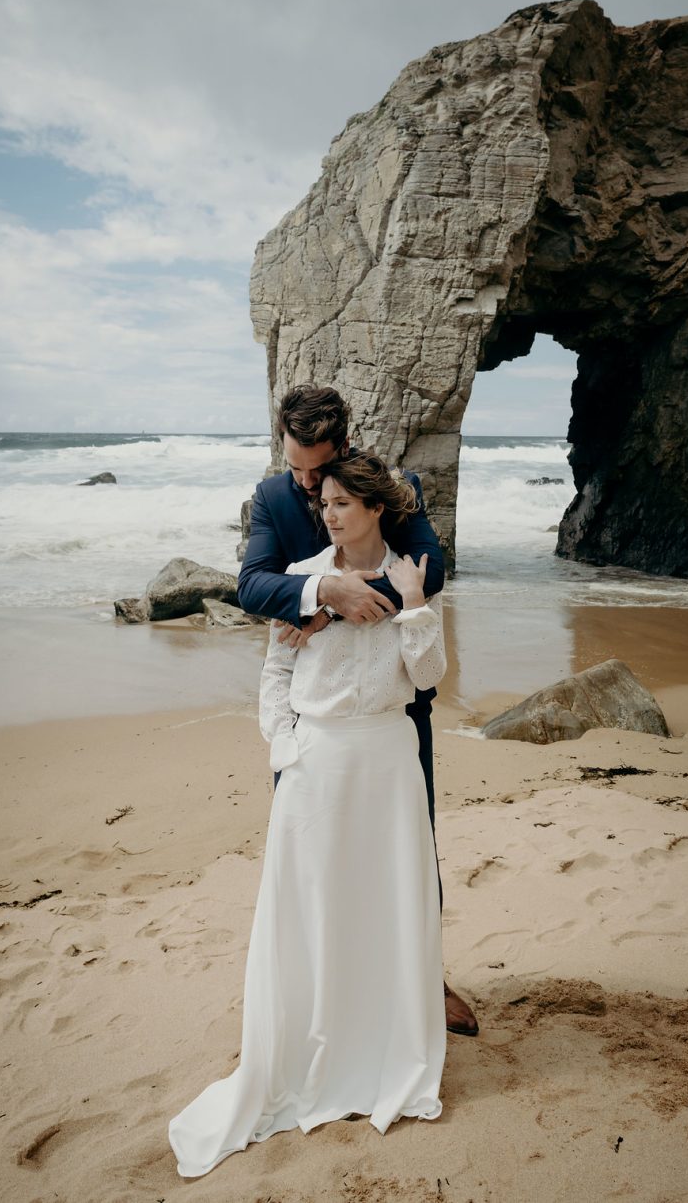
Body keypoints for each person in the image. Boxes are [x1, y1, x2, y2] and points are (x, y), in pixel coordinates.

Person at [169, 452, 447, 1177]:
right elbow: (276, 672)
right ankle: (312, 1054)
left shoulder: (411, 574)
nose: (328, 513)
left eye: (341, 503)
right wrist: (287, 750)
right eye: (322, 502)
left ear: (376, 508)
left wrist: (415, 607)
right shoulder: (302, 580)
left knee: (383, 909)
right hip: (316, 764)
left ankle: (384, 1053)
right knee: (310, 910)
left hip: (387, 764)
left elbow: (427, 678)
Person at [237, 384, 478, 1037]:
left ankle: (425, 975)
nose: (310, 486)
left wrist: (338, 604)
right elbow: (252, 584)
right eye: (298, 469)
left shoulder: (389, 486)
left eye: (319, 469)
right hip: (313, 714)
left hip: (391, 707)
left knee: (408, 846)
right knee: (311, 858)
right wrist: (318, 590)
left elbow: (430, 573)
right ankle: (315, 988)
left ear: (343, 445)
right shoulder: (271, 498)